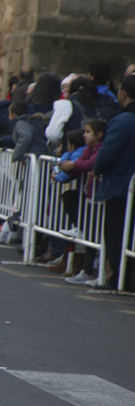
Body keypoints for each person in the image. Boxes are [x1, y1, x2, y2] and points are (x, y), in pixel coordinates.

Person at [93, 74, 135, 291]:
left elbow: (106, 155)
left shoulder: (122, 121)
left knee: (116, 235)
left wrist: (96, 169)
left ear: (122, 93)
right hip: (127, 186)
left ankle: (118, 279)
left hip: (119, 187)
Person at [58, 120, 106, 285]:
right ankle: (86, 269)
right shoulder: (89, 149)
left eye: (88, 132)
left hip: (99, 195)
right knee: (90, 232)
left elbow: (91, 163)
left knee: (95, 233)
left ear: (98, 134)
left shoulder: (101, 148)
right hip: (90, 193)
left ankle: (90, 270)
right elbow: (82, 162)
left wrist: (73, 164)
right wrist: (66, 165)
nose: (84, 135)